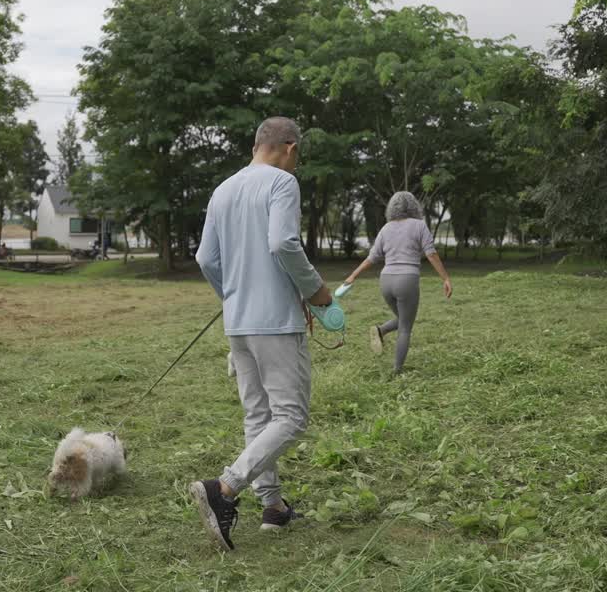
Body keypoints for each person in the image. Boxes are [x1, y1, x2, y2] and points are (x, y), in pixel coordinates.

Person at [191, 116, 333, 551]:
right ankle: (225, 489)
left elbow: (205, 258)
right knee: (290, 416)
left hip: (238, 321)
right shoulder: (282, 183)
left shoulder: (222, 190)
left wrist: (230, 296)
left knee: (258, 415)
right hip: (275, 320)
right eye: (298, 156)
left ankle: (273, 507)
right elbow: (283, 243)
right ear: (289, 147)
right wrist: (316, 293)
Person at [343, 191, 452, 374]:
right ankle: (397, 370)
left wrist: (353, 275)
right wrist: (445, 278)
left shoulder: (386, 228)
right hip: (407, 280)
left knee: (403, 319)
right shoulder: (419, 225)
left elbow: (373, 257)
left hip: (386, 281)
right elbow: (431, 253)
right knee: (406, 328)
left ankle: (380, 330)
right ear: (413, 206)